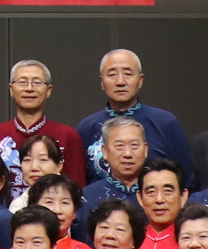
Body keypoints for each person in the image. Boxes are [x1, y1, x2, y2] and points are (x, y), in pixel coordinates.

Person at [80, 48, 188, 177]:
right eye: (112, 74)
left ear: (140, 80)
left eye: (128, 74)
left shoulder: (166, 123)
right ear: (102, 82)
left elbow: (186, 179)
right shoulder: (86, 128)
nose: (120, 82)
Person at [0, 58, 88, 186]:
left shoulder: (67, 136)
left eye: (37, 82)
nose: (29, 88)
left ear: (48, 90)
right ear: (11, 89)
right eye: (22, 82)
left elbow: (76, 187)